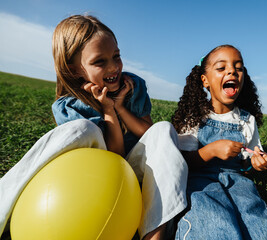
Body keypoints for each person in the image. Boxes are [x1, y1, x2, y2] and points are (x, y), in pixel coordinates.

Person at [0, 15, 187, 240]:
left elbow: (149, 132)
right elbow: (112, 156)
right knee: (81, 128)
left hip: (138, 170)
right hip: (96, 181)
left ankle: (155, 234)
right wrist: (108, 110)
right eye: (100, 62)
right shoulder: (68, 105)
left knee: (164, 128)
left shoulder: (134, 85)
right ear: (75, 70)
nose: (113, 67)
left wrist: (120, 108)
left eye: (116, 56)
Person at [172, 44, 267, 239]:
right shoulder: (195, 116)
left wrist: (256, 164)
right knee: (213, 222)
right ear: (205, 81)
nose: (232, 71)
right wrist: (211, 150)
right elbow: (181, 163)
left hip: (238, 182)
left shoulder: (247, 120)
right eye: (222, 68)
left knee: (257, 223)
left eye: (238, 68)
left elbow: (246, 162)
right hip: (199, 182)